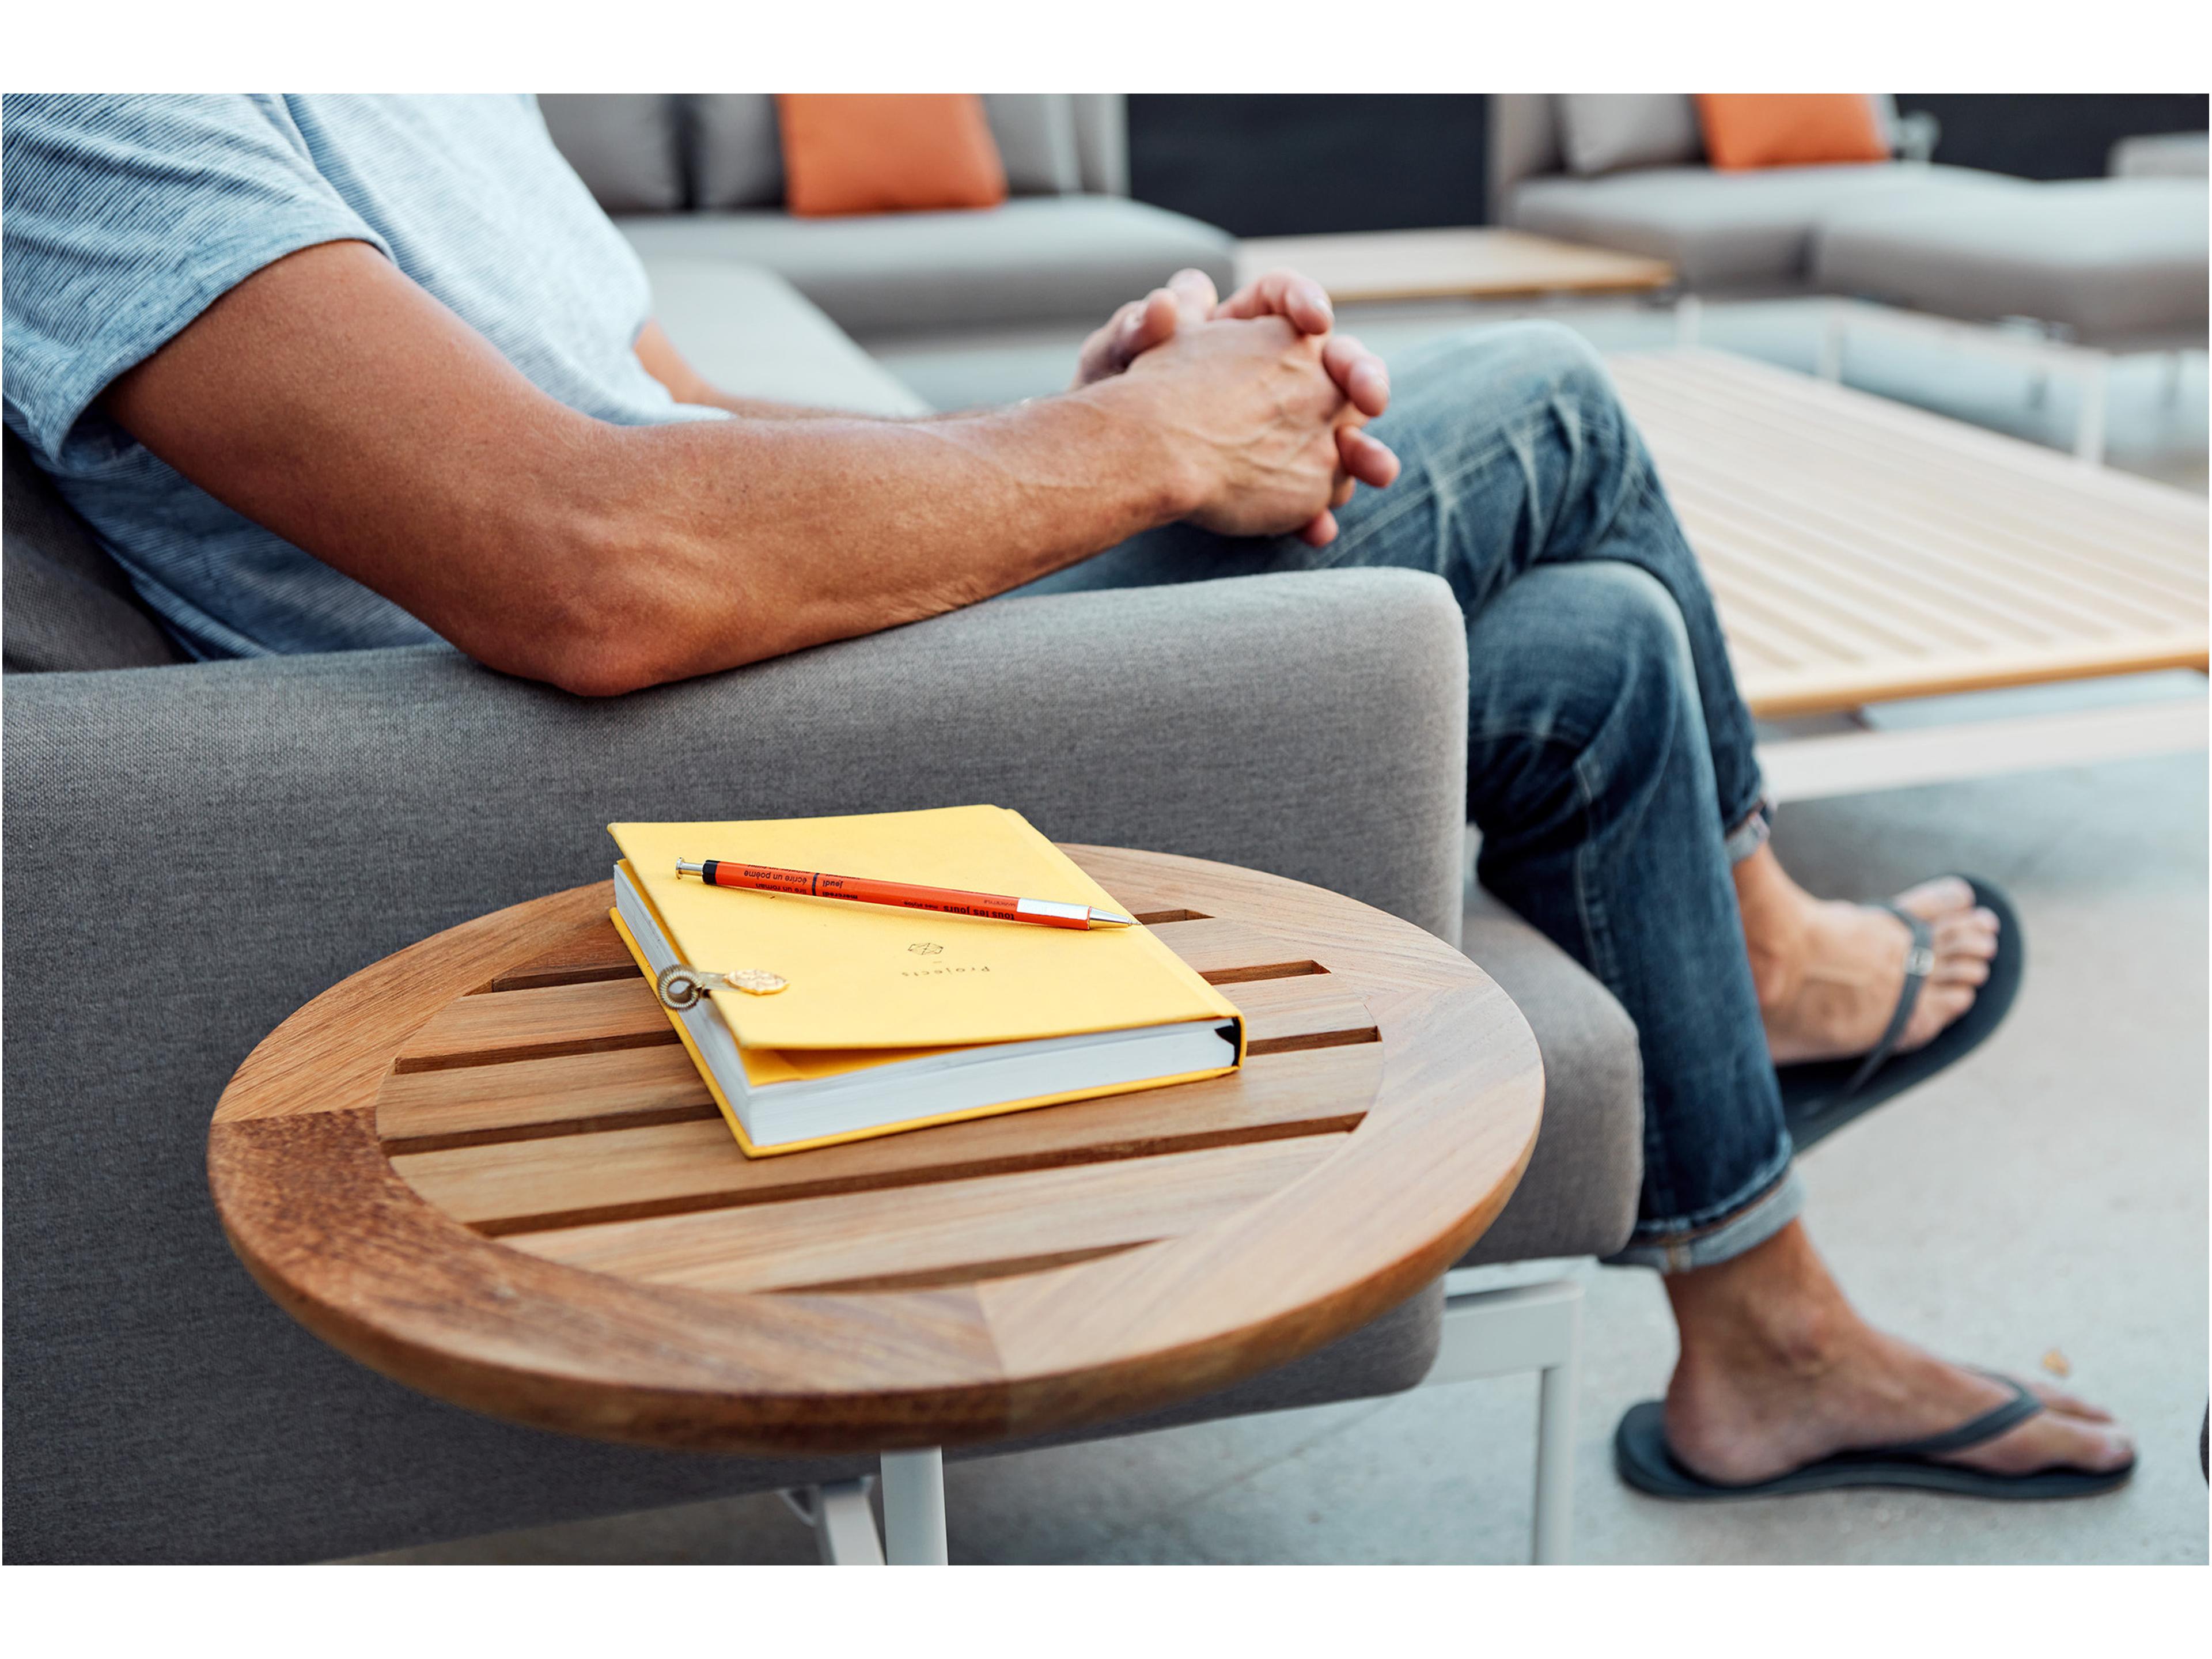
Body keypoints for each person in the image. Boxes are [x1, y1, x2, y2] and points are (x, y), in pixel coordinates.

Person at [2, 93, 2132, 1497]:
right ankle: (1776, 968)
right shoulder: (82, 98)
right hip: (634, 795)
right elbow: (583, 557)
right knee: (1556, 409)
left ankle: (1762, 1345)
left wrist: (1047, 435)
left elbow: (654, 415)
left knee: (1590, 656)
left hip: (759, 667)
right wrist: (1138, 461)